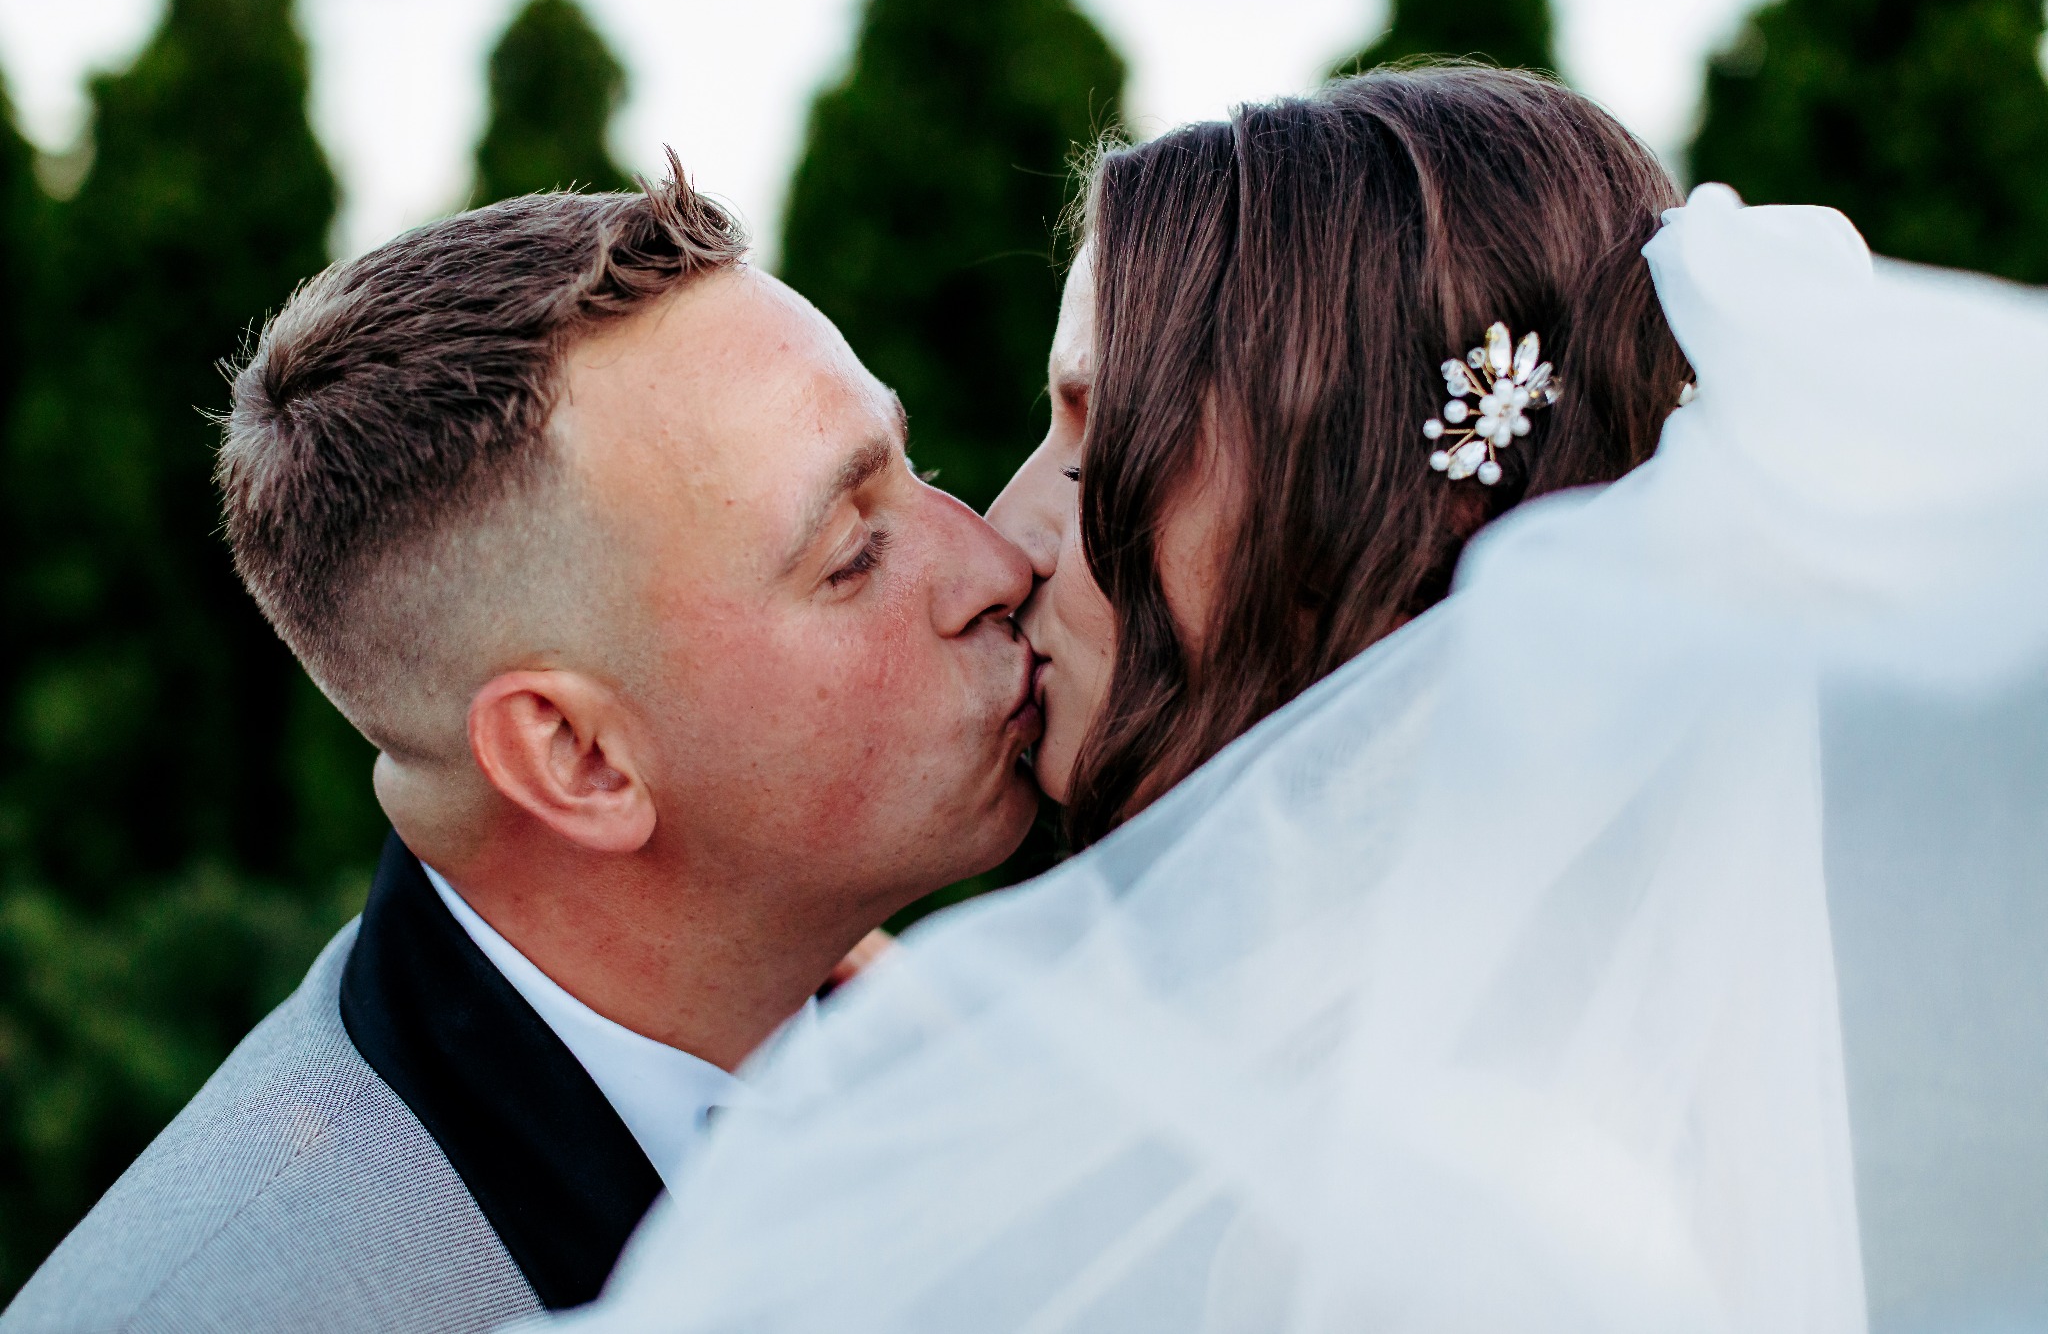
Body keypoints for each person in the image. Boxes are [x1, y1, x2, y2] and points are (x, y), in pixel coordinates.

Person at [563, 71, 2048, 1333]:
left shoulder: (1463, 1226)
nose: (1003, 542)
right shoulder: (1221, 1100)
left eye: (1097, 447)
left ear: (1357, 510)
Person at [0, 158, 1043, 1332]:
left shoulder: (945, 1050)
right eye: (851, 553)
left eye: (919, 469)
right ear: (575, 758)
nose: (998, 568)